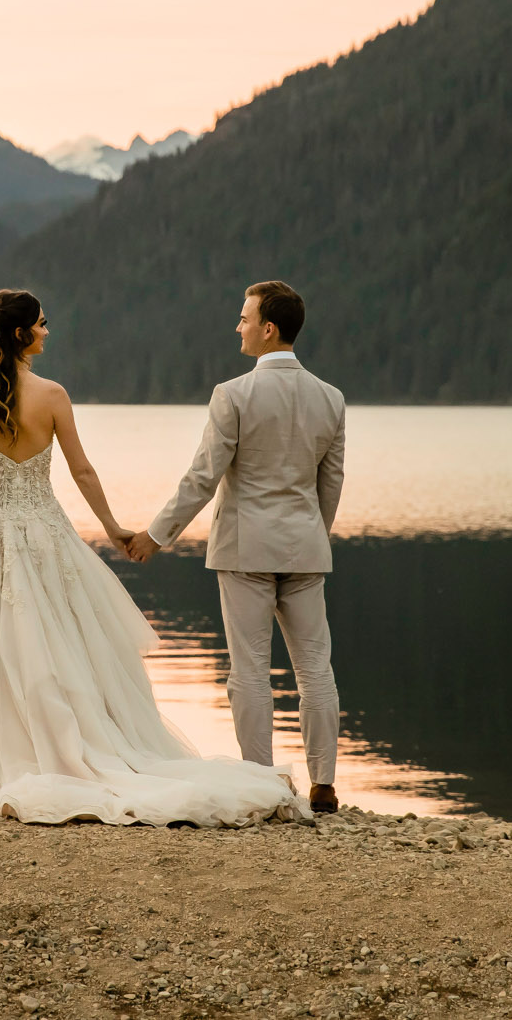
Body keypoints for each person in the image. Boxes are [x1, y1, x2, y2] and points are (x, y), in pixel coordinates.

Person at [0, 288, 306, 826]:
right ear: (21, 332)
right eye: (42, 324)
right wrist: (114, 528)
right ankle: (58, 746)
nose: (48, 331)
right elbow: (83, 471)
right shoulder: (52, 395)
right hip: (44, 535)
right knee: (52, 647)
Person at [127, 281, 346, 814]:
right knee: (315, 668)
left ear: (269, 328)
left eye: (245, 318)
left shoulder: (234, 394)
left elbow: (203, 477)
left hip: (245, 549)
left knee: (249, 670)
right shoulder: (331, 398)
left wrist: (154, 536)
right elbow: (330, 485)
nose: (238, 326)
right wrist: (311, 534)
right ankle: (323, 785)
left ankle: (261, 781)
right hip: (305, 548)